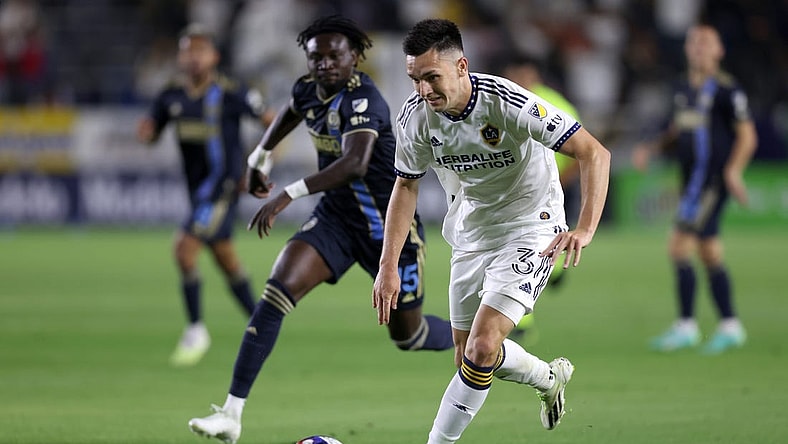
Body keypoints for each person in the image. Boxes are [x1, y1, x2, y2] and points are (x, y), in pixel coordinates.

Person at [187, 16, 454, 444]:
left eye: (335, 55)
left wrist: (287, 193)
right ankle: (231, 414)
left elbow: (355, 163)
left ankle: (475, 334)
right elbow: (293, 111)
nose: (326, 64)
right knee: (275, 293)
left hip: (390, 231)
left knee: (410, 336)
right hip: (336, 218)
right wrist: (260, 155)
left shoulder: (365, 99)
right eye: (317, 57)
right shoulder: (307, 89)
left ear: (355, 57)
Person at [373, 19, 611, 443]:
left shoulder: (509, 103)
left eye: (432, 77)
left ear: (461, 66)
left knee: (481, 348)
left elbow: (594, 152)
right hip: (470, 233)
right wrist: (388, 264)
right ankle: (547, 378)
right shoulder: (415, 118)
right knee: (470, 358)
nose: (423, 90)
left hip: (531, 227)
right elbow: (405, 186)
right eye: (415, 79)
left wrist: (586, 228)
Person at [136, 24, 272, 367]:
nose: (194, 58)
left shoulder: (230, 92)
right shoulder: (171, 96)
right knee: (226, 259)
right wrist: (147, 134)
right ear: (181, 56)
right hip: (197, 193)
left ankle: (196, 330)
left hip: (223, 189)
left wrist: (258, 166)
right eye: (188, 51)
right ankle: (262, 324)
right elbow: (152, 131)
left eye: (200, 51)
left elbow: (273, 123)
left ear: (214, 56)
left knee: (184, 251)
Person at [632, 24, 757, 355]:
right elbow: (677, 129)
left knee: (678, 247)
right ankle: (731, 325)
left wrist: (733, 170)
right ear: (688, 50)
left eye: (706, 44)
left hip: (710, 182)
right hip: (691, 182)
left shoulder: (728, 91)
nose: (699, 49)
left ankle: (686, 326)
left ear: (719, 51)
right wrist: (652, 148)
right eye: (694, 43)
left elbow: (747, 135)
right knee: (709, 251)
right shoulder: (682, 89)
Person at [502, 54, 583, 344]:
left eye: (523, 74)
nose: (519, 80)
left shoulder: (554, 104)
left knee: (537, 247)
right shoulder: (503, 103)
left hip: (556, 189)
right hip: (518, 192)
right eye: (514, 75)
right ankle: (523, 321)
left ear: (534, 73)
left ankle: (554, 270)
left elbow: (583, 150)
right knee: (520, 250)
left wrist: (560, 183)